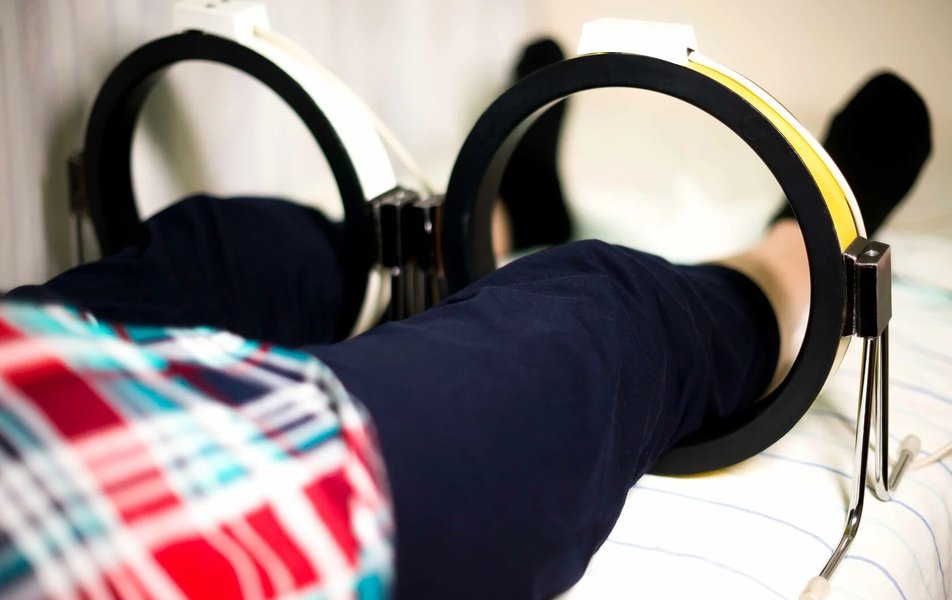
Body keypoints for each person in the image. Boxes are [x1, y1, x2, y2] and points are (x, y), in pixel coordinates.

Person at [0, 38, 932, 599]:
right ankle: (798, 253)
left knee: (221, 251)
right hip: (204, 530)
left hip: (34, 382)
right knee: (594, 311)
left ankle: (500, 215)